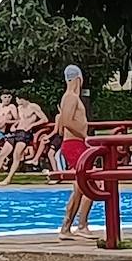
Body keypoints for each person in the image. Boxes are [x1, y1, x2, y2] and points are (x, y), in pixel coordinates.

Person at [56, 65, 95, 240]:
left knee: (79, 187)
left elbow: (60, 126)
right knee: (92, 184)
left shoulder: (69, 98)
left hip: (74, 144)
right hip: (75, 144)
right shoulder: (71, 98)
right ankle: (82, 224)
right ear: (79, 78)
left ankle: (66, 228)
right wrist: (85, 134)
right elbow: (66, 122)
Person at [0, 96, 47, 185]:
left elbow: (44, 119)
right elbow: (20, 119)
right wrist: (14, 125)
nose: (16, 101)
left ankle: (8, 178)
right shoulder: (19, 108)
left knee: (16, 156)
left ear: (23, 98)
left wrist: (32, 126)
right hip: (16, 132)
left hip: (25, 133)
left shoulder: (33, 107)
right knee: (2, 154)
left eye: (17, 99)